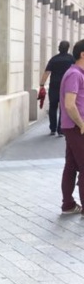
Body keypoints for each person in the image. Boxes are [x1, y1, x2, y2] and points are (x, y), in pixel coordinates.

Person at [59, 38, 84, 214]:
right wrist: (81, 124)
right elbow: (69, 104)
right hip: (76, 127)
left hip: (73, 126)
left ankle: (68, 204)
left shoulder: (77, 73)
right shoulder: (75, 74)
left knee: (71, 165)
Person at [40, 41, 75, 136]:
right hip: (66, 86)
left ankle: (52, 128)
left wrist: (42, 85)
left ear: (59, 47)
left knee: (53, 106)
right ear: (68, 48)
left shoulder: (54, 59)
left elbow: (46, 72)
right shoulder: (72, 59)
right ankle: (61, 130)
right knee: (63, 107)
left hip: (54, 86)